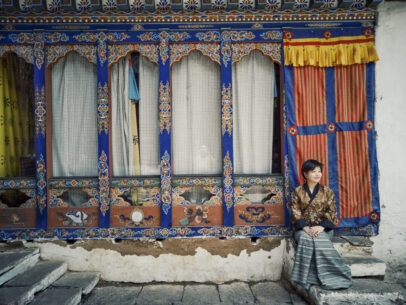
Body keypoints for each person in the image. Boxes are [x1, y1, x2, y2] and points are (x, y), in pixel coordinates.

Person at [290, 159, 352, 290]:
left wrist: (321, 227)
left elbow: (332, 212)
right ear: (305, 174)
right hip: (303, 229)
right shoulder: (297, 191)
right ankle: (306, 278)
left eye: (319, 171)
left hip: (323, 229)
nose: (317, 174)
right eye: (314, 171)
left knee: (319, 240)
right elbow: (295, 211)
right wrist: (306, 228)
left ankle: (334, 275)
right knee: (306, 240)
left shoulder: (328, 192)